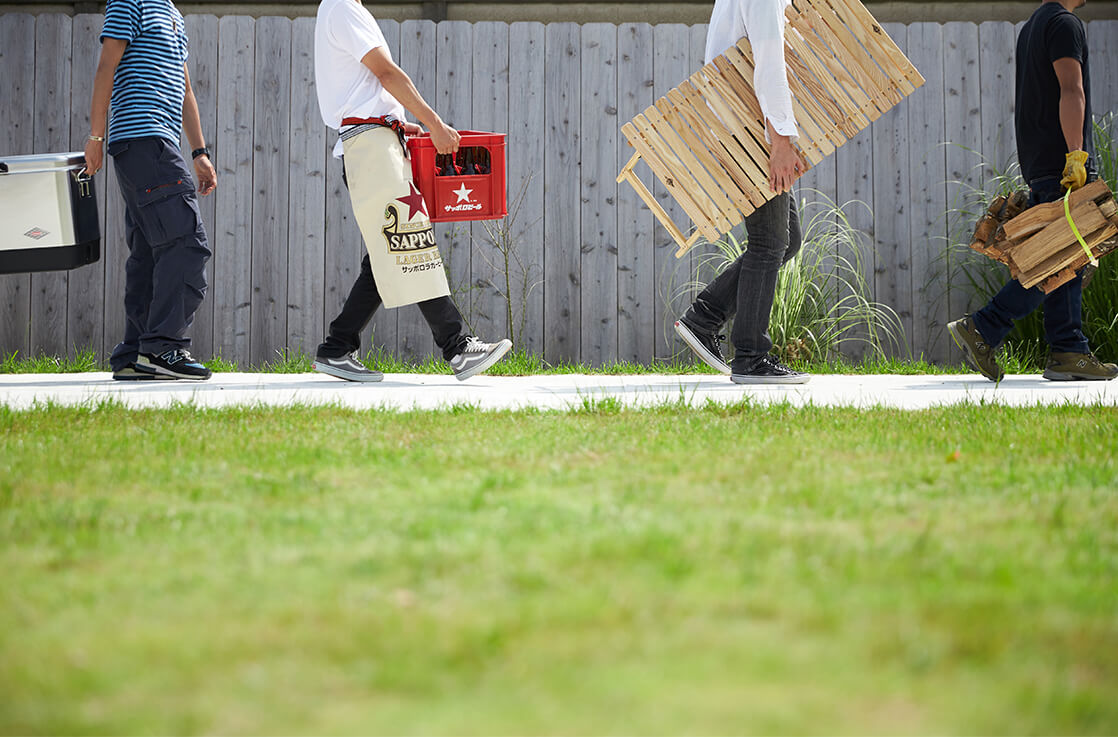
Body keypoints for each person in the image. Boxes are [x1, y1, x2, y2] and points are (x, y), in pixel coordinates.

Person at [311, 0, 511, 382]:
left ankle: (337, 348)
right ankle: (457, 347)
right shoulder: (343, 7)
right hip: (371, 146)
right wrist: (433, 122)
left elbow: (365, 85)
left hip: (374, 140)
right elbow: (386, 73)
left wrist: (399, 125)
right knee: (408, 240)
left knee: (389, 252)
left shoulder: (339, 8)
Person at [947, 0, 1117, 382]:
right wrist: (1076, 155)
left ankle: (1068, 350)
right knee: (1054, 261)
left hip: (1042, 163)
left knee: (1067, 260)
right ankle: (984, 327)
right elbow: (1071, 90)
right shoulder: (1064, 23)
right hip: (1062, 162)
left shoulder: (1034, 26)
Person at [672, 0, 810, 384]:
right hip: (749, 131)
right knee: (769, 241)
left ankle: (704, 317)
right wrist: (780, 139)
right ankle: (750, 357)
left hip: (743, 125)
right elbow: (768, 62)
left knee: (788, 239)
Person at [84, 0, 217, 381]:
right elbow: (106, 67)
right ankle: (164, 347)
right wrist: (96, 135)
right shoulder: (131, 2)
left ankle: (133, 354)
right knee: (187, 244)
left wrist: (199, 152)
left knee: (149, 252)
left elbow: (186, 87)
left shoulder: (173, 12)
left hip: (159, 143)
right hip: (143, 139)